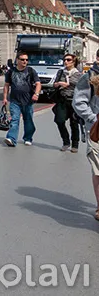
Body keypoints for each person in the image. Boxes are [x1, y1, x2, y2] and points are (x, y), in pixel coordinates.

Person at [72, 48, 99, 221]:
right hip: (97, 131)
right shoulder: (89, 77)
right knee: (98, 170)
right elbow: (79, 101)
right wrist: (93, 118)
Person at [2, 51, 41, 147]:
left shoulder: (31, 71)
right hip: (15, 101)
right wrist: (5, 98)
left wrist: (36, 94)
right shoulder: (11, 72)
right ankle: (11, 138)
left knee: (28, 121)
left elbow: (38, 84)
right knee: (14, 120)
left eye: (26, 60)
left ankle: (28, 138)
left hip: (28, 101)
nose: (25, 61)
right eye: (22, 59)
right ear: (17, 60)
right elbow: (6, 85)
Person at [52, 53, 83, 152]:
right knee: (59, 120)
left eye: (68, 60)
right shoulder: (61, 72)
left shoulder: (79, 74)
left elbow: (77, 85)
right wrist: (58, 84)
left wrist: (66, 84)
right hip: (62, 100)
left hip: (74, 101)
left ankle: (75, 144)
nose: (66, 61)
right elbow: (55, 84)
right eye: (64, 60)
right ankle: (66, 141)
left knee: (74, 123)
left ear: (73, 62)